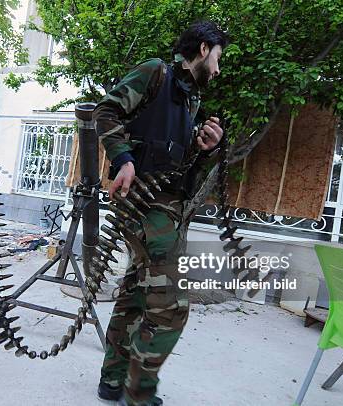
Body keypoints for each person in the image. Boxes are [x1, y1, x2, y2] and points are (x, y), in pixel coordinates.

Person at [93, 21, 229, 406]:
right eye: (219, 58)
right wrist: (123, 159)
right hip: (144, 205)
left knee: (136, 294)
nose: (218, 69)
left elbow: (174, 158)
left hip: (165, 206)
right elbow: (106, 112)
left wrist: (202, 146)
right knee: (170, 307)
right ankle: (139, 393)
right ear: (204, 49)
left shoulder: (190, 100)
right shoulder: (157, 72)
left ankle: (113, 379)